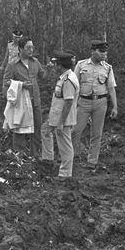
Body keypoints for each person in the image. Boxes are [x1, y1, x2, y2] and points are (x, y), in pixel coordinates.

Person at [72, 39, 118, 169]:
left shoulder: (107, 68)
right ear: (93, 51)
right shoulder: (81, 65)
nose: (104, 54)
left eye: (105, 52)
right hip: (83, 102)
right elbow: (74, 85)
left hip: (100, 102)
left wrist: (115, 106)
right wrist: (72, 103)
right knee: (76, 130)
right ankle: (72, 157)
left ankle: (92, 161)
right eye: (101, 51)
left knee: (96, 133)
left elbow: (111, 88)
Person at [3, 37, 47, 155]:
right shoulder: (13, 65)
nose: (31, 50)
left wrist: (52, 67)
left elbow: (43, 75)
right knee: (19, 130)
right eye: (28, 47)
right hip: (21, 103)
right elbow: (6, 81)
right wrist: (21, 85)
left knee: (37, 129)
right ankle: (19, 157)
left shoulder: (35, 62)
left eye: (32, 47)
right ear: (20, 49)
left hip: (35, 101)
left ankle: (35, 156)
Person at [41, 51, 80, 179]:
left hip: (63, 119)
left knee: (65, 145)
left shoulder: (68, 80)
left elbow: (68, 102)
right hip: (56, 116)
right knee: (45, 131)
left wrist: (61, 122)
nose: (55, 66)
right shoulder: (64, 77)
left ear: (60, 65)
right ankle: (48, 160)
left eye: (56, 63)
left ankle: (65, 174)